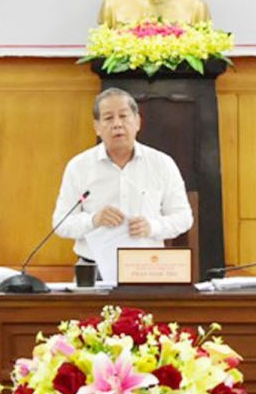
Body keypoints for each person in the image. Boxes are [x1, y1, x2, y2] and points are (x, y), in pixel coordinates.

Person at [51, 88, 193, 283]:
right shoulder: (79, 166)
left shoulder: (162, 164)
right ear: (97, 127)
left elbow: (183, 218)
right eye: (108, 118)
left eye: (124, 116)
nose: (117, 124)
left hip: (147, 268)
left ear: (137, 122)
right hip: (93, 270)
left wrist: (152, 226)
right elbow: (60, 223)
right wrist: (93, 220)